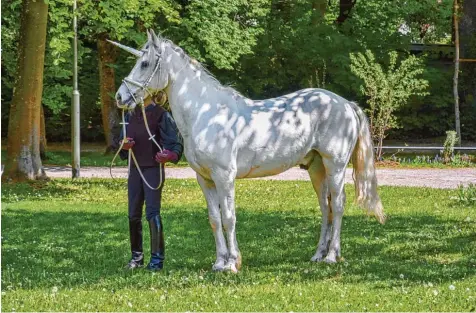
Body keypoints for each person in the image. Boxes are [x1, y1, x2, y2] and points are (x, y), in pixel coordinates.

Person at [116, 93, 183, 271]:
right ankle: (136, 258)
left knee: (152, 213)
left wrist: (170, 154)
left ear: (151, 93)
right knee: (133, 214)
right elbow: (120, 143)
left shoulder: (162, 114)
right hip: (135, 169)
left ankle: (156, 261)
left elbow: (175, 142)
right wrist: (123, 145)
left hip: (153, 169)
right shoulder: (130, 114)